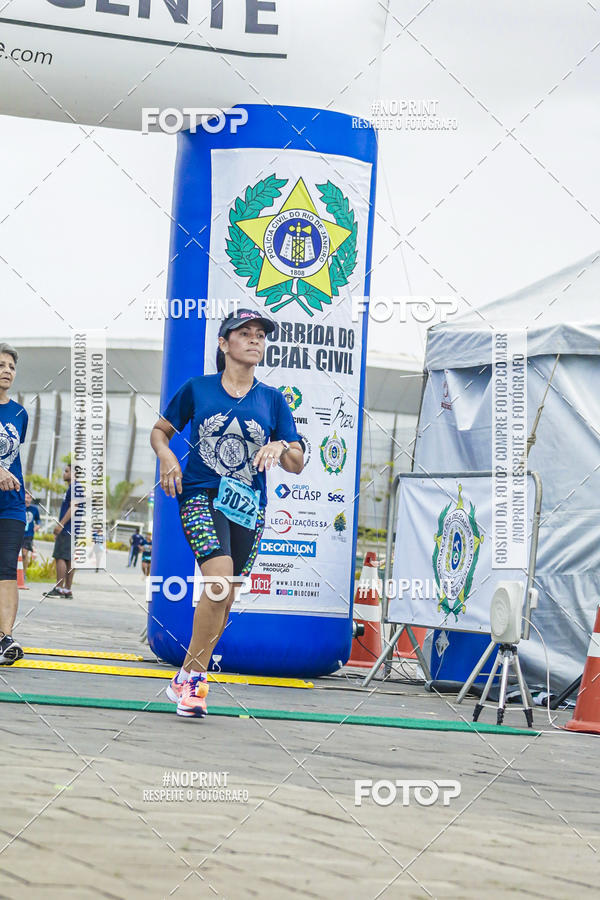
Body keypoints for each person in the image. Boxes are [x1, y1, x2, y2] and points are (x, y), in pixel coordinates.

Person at [150, 309, 304, 718]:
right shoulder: (197, 389)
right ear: (224, 344)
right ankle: (197, 683)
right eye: (245, 334)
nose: (255, 340)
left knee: (226, 595)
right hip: (201, 495)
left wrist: (280, 448)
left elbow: (297, 461)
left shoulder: (273, 399)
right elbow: (160, 430)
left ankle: (185, 675)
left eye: (261, 335)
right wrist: (167, 456)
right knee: (217, 582)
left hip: (248, 506)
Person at [0, 343, 28, 665]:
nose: (7, 370)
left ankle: (5, 638)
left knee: (6, 567)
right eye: (1, 365)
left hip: (11, 505)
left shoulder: (20, 413)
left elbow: (14, 456)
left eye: (11, 366)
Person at [44, 464, 74, 598]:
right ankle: (66, 590)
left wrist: (61, 525)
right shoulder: (73, 488)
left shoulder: (74, 487)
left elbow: (74, 507)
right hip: (72, 529)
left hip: (68, 528)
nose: (64, 473)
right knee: (69, 559)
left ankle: (59, 588)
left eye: (67, 471)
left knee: (60, 557)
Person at [22, 490, 41, 570]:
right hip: (18, 533)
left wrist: (38, 525)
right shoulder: (19, 507)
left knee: (24, 553)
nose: (27, 499)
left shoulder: (34, 509)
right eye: (26, 497)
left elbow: (38, 520)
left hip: (28, 534)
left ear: (31, 499)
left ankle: (23, 574)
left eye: (29, 498)